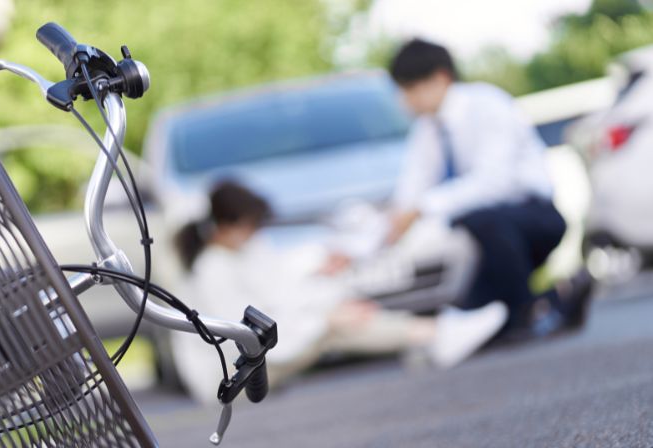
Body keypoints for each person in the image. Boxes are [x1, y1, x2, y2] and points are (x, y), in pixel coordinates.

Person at [170, 181, 507, 404]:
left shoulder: (235, 254)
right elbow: (247, 336)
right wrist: (326, 318)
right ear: (229, 225)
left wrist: (327, 301)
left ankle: (432, 336)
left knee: (337, 316)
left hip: (248, 363)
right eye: (250, 226)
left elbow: (279, 296)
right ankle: (436, 335)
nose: (255, 233)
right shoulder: (212, 269)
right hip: (227, 378)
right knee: (334, 326)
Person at [385, 39, 593, 339]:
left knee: (479, 219)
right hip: (484, 238)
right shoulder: (427, 130)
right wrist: (387, 228)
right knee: (475, 312)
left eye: (410, 89)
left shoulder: (487, 105)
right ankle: (555, 299)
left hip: (532, 218)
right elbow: (411, 189)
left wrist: (422, 208)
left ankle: (531, 311)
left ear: (440, 78)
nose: (406, 101)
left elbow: (495, 185)